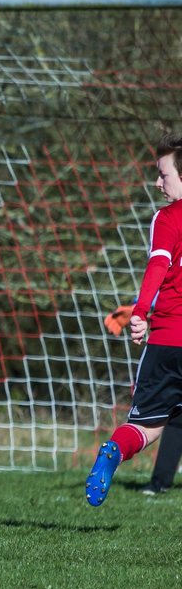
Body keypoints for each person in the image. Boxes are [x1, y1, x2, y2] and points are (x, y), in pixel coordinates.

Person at [86, 133, 182, 506]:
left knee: (146, 423)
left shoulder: (168, 217)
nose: (158, 183)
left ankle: (113, 450)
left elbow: (158, 265)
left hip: (167, 340)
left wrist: (140, 312)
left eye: (164, 175)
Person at [103, 303, 182, 495]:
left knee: (155, 421)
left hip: (167, 343)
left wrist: (137, 307)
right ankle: (160, 481)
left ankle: (157, 482)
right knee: (177, 415)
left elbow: (162, 285)